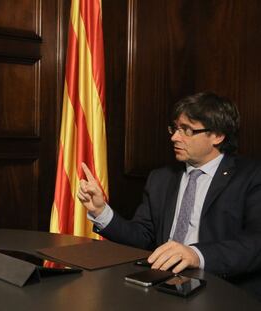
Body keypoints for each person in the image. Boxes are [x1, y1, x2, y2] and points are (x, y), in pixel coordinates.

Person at [78, 92, 261, 299]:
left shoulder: (251, 177)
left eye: (187, 130)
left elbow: (255, 243)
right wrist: (101, 212)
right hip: (160, 286)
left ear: (217, 136)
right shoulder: (161, 178)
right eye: (175, 128)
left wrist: (196, 255)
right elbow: (142, 237)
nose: (174, 137)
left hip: (222, 289)